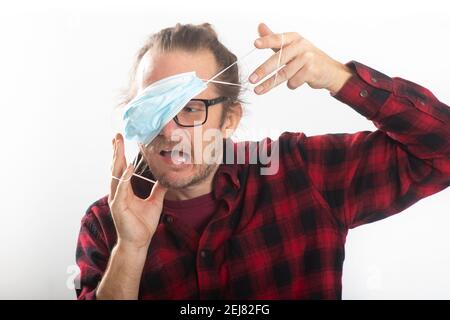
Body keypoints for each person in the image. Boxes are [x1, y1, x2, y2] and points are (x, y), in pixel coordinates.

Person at [75, 22, 449, 299]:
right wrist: (131, 249)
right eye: (154, 110)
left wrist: (339, 78)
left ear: (231, 119)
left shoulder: (301, 174)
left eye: (191, 108)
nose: (170, 132)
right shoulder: (106, 224)